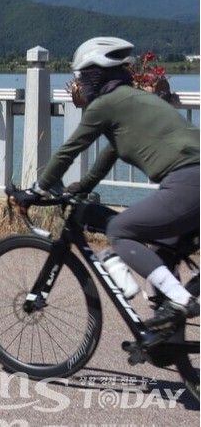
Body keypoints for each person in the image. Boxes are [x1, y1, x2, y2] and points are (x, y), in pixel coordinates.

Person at [35, 36, 199, 340]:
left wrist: (38, 189)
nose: (80, 83)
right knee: (163, 250)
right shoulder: (135, 99)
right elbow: (110, 153)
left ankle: (181, 299)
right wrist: (82, 186)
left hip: (188, 185)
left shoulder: (106, 105)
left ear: (96, 74)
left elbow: (69, 149)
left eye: (81, 76)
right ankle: (167, 341)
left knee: (121, 231)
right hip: (192, 185)